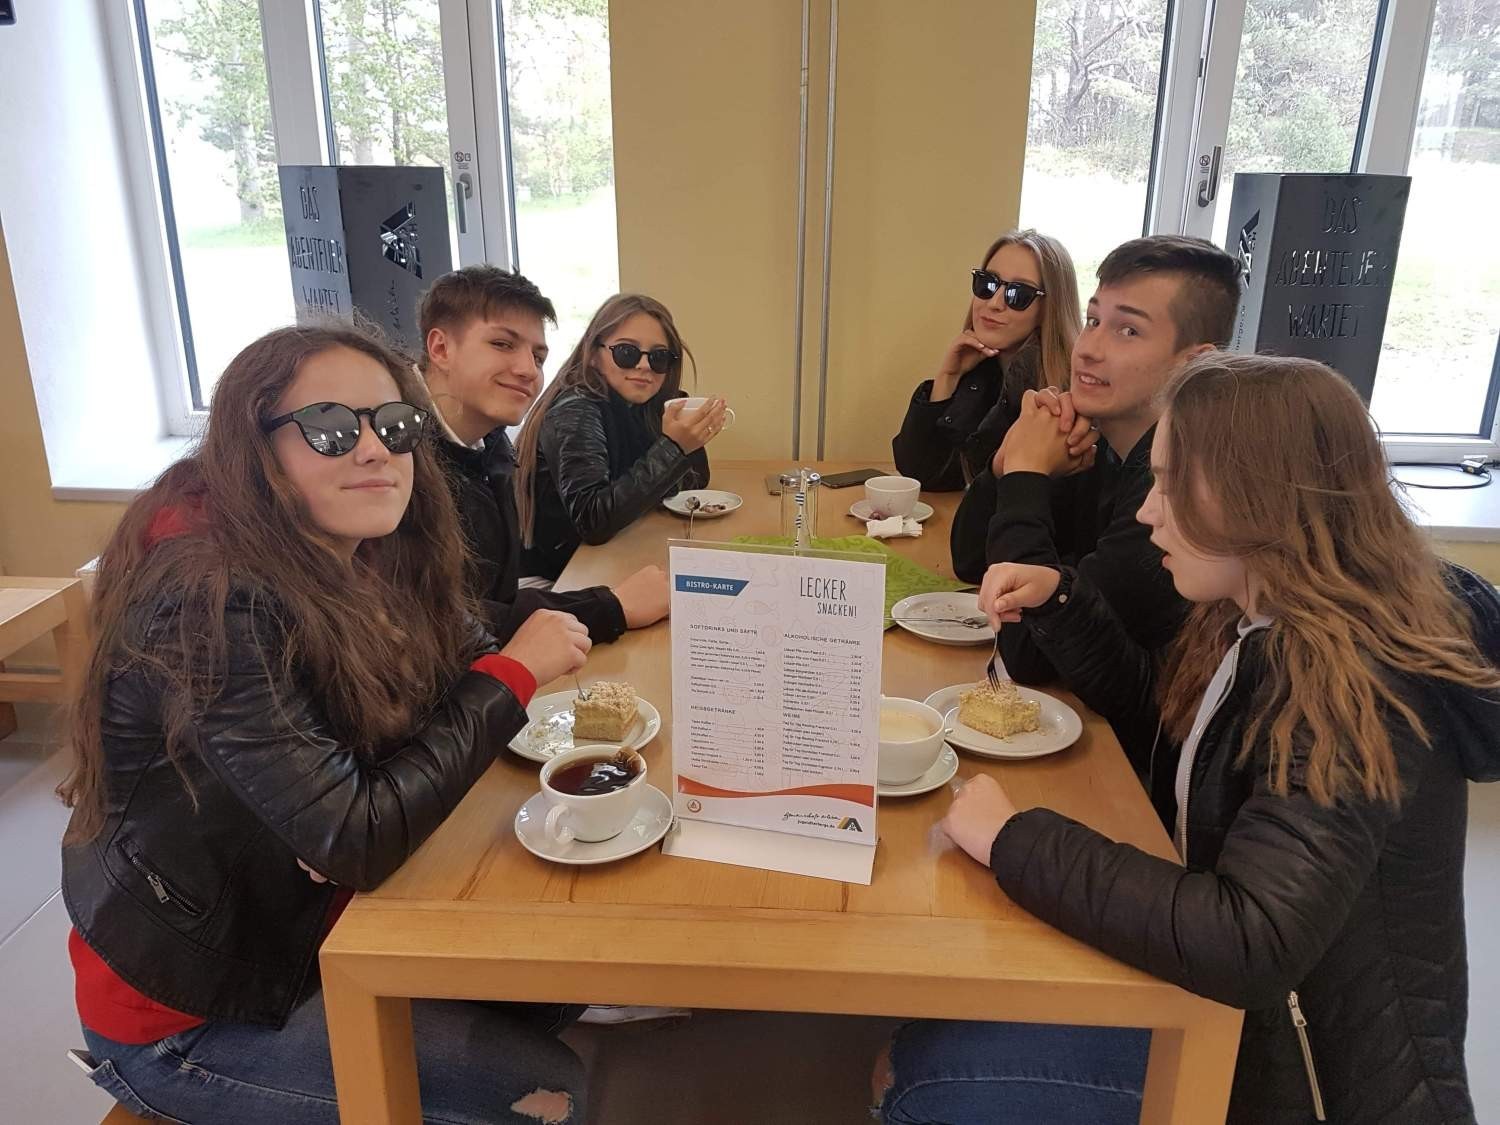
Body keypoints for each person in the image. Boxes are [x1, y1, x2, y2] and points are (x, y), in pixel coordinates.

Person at [878, 353, 1500, 1124]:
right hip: (1235, 1015)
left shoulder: (1350, 685)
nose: (1148, 511)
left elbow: (1249, 939)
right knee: (934, 1027)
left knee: (922, 1076)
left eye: (1172, 484)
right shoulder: (1256, 612)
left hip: (1294, 1080)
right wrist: (1065, 602)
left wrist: (1015, 837)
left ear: (1258, 496)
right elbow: (1178, 739)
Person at [61, 322, 593, 1125]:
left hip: (313, 922)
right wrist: (509, 678)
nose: (375, 449)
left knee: (556, 981)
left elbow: (457, 660)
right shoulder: (210, 601)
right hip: (199, 1008)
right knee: (553, 1092)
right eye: (330, 427)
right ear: (256, 449)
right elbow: (358, 833)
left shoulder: (360, 545)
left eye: (395, 425)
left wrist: (362, 800)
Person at [952, 235, 1241, 692]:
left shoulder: (1173, 493)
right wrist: (1006, 466)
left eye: (1128, 331)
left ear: (1194, 363)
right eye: (1093, 320)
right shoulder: (1094, 443)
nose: (1087, 349)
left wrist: (1027, 476)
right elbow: (970, 563)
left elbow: (1028, 653)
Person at [419, 265, 670, 646]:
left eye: (537, 357)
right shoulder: (394, 454)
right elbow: (445, 621)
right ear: (441, 348)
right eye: (502, 344)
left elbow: (491, 602)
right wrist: (612, 606)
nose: (527, 370)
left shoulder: (489, 442)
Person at [514, 293, 725, 580]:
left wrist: (685, 436)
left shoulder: (643, 405)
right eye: (627, 352)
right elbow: (593, 520)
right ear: (593, 355)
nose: (644, 366)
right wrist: (674, 447)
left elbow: (696, 481)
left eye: (659, 357)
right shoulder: (576, 409)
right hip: (558, 576)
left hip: (613, 556)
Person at [892, 229, 1080, 490]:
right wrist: (947, 379)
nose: (994, 303)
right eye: (987, 284)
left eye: (1018, 294)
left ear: (1050, 307)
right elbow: (923, 473)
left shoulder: (1066, 393)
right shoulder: (983, 372)